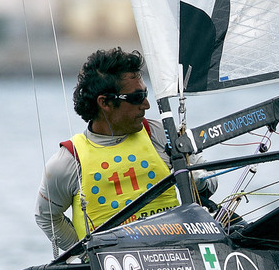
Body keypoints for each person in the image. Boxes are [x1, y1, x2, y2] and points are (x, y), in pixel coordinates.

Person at [35, 47, 184, 253]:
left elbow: (206, 185)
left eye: (145, 94)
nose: (146, 105)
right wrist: (84, 254)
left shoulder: (161, 133)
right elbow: (46, 217)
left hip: (177, 255)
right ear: (105, 102)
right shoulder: (67, 162)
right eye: (137, 97)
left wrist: (199, 178)